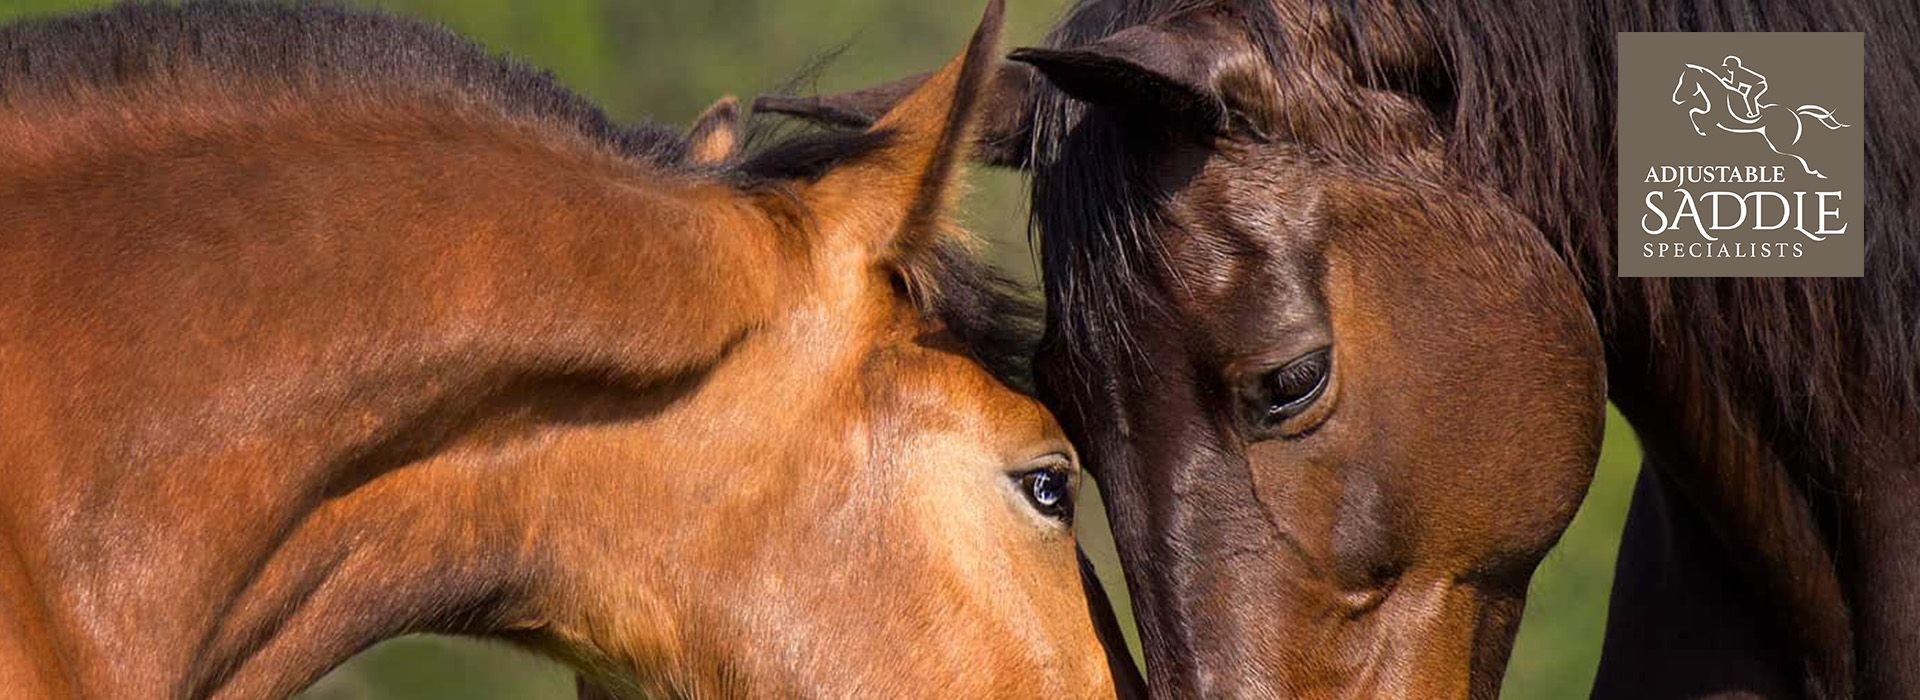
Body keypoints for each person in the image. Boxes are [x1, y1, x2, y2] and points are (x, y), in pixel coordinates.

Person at [1722, 55, 1768, 120]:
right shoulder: (1737, 72)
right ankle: (1755, 110)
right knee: (1749, 97)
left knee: (1749, 97)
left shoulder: (1737, 72)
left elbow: (1735, 87)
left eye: (1728, 66)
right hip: (1757, 84)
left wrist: (1725, 81)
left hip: (1759, 84)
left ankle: (1755, 114)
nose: (1727, 68)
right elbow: (1736, 87)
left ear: (1733, 66)